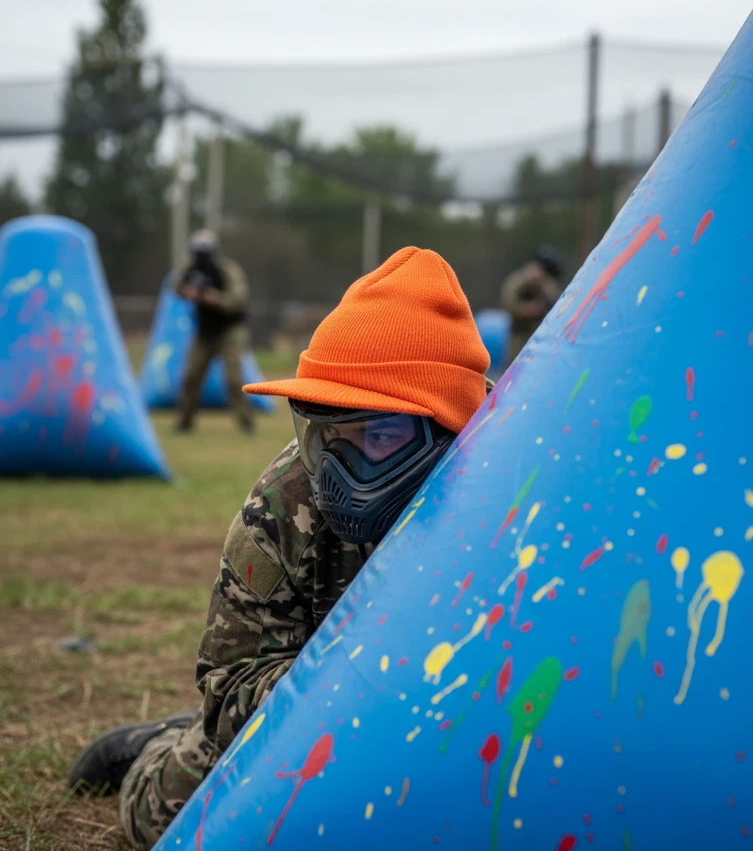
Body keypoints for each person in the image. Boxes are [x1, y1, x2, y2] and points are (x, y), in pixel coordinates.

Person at [68, 247, 491, 849]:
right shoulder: (283, 506)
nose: (336, 469)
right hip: (317, 733)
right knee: (163, 818)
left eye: (378, 435)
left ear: (448, 426)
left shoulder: (510, 491)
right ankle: (155, 746)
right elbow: (231, 679)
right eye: (324, 435)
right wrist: (357, 687)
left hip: (476, 726)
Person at [174, 228, 255, 433]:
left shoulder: (227, 270)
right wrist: (187, 292)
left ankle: (247, 424)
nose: (201, 257)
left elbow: (238, 298)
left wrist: (217, 299)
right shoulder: (190, 270)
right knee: (190, 376)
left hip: (230, 330)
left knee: (233, 379)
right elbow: (175, 287)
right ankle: (185, 422)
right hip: (204, 331)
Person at [501, 244, 564, 366]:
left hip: (541, 338)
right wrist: (528, 309)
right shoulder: (519, 281)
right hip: (520, 336)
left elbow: (556, 306)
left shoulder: (547, 285)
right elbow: (509, 303)